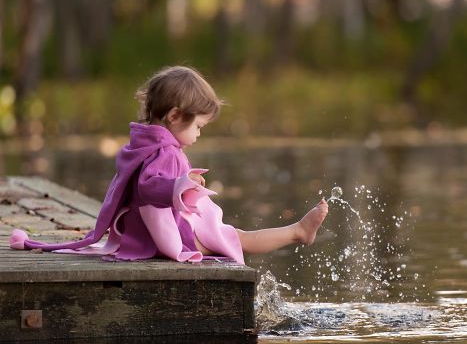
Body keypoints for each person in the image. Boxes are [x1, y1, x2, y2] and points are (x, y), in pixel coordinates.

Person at [10, 66, 328, 263]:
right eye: (199, 126)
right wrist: (179, 185)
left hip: (149, 230)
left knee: (231, 234)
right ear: (175, 116)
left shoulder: (148, 141)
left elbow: (148, 180)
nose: (200, 133)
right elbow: (149, 185)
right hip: (164, 236)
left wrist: (182, 181)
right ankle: (297, 232)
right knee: (237, 236)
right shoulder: (166, 150)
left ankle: (297, 232)